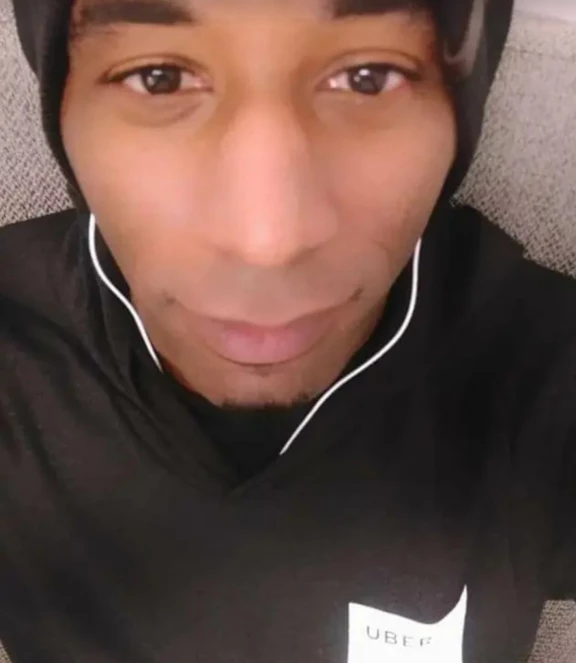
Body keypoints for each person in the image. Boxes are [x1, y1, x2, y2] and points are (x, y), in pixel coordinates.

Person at [1, 0, 574, 660]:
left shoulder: (535, 376)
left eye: (368, 78)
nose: (267, 242)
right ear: (61, 101)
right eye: (159, 78)